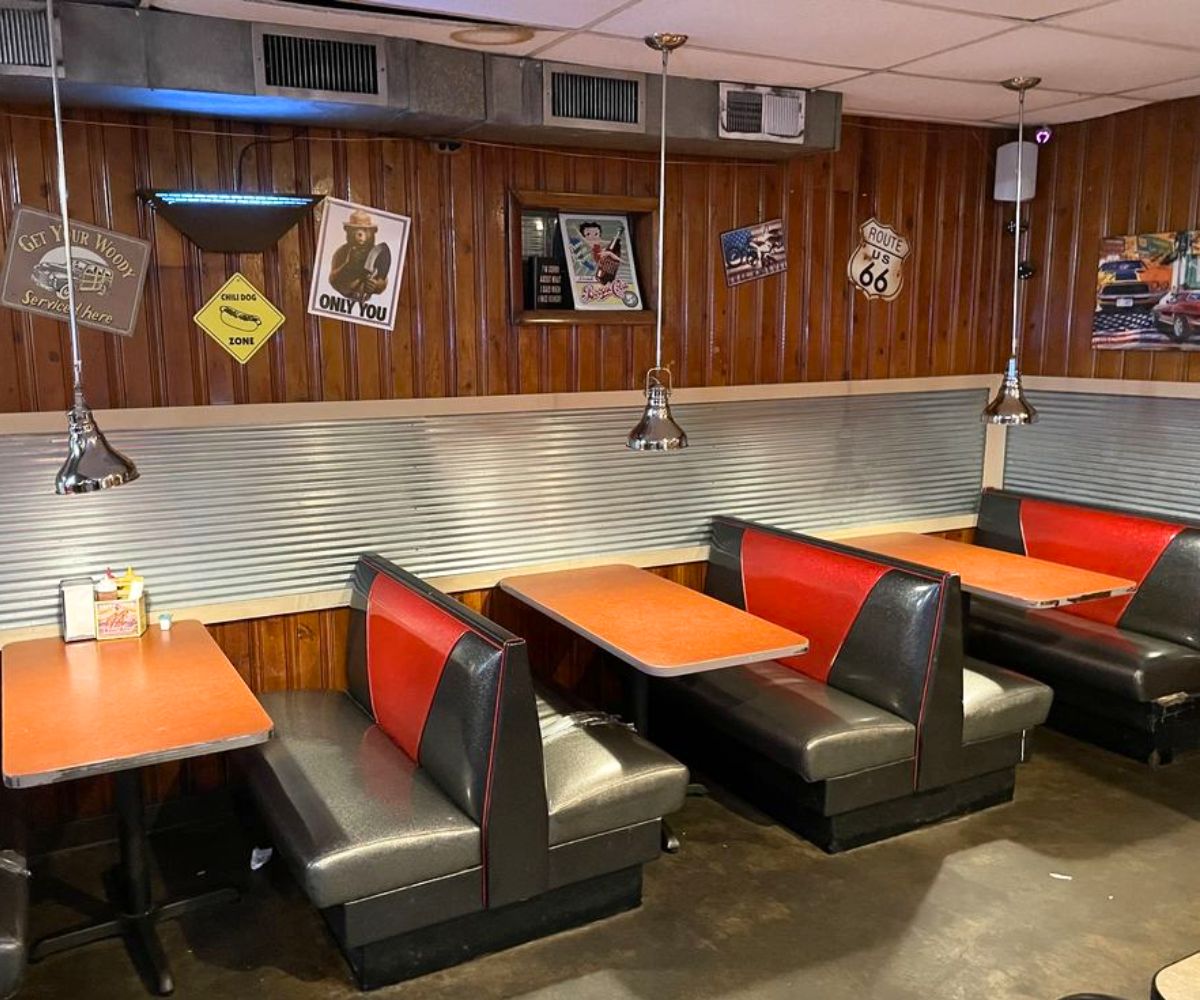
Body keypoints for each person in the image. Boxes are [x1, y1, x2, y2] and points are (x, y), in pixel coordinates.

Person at [329, 208, 390, 302]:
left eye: (365, 230)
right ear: (348, 231)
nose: (360, 233)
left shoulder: (376, 253)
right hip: (345, 295)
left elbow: (383, 279)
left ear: (372, 232)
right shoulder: (341, 252)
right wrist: (346, 265)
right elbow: (333, 279)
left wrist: (376, 285)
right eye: (355, 229)